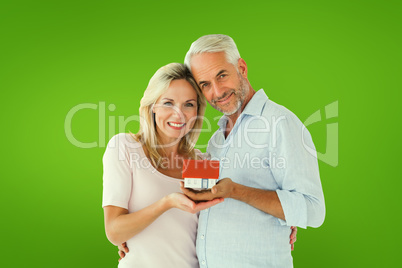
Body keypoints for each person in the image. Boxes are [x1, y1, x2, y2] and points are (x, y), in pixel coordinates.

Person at [178, 34, 326, 267]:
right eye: (205, 85)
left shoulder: (280, 123)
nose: (217, 92)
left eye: (222, 76)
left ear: (242, 68)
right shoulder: (216, 139)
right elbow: (200, 206)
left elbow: (313, 209)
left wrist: (236, 190)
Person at [102, 62, 224, 267]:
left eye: (189, 104)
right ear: (152, 107)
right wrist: (167, 203)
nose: (179, 114)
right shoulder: (125, 147)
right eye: (168, 103)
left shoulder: (202, 162)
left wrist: (281, 224)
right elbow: (114, 232)